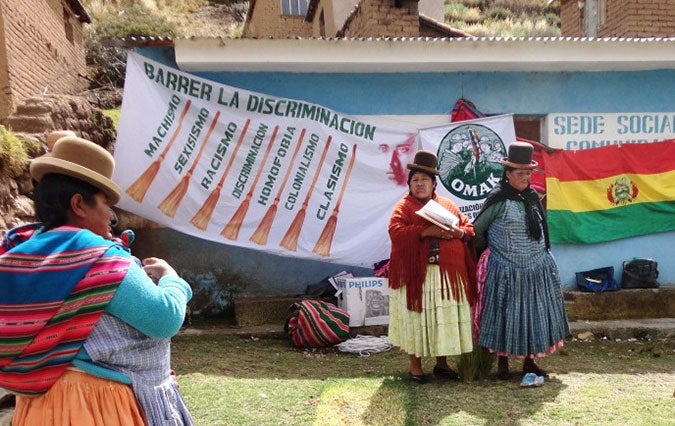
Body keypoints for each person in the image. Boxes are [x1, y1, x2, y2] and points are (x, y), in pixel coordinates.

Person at [0, 134, 194, 425]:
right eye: (106, 204)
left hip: (36, 409)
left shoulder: (17, 254)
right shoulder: (100, 259)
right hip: (97, 407)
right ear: (79, 204)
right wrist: (173, 280)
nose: (110, 217)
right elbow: (163, 318)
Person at [473, 141, 570, 383]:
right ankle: (502, 361)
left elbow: (542, 230)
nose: (526, 177)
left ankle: (529, 360)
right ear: (508, 174)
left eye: (528, 172)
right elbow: (477, 231)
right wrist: (494, 253)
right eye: (520, 173)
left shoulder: (532, 198)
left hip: (536, 268)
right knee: (504, 313)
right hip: (505, 267)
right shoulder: (498, 199)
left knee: (532, 314)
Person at [388, 150, 476, 384]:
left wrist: (458, 232)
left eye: (424, 180)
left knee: (440, 320)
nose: (419, 184)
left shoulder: (447, 205)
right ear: (409, 184)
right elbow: (396, 232)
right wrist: (426, 231)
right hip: (417, 277)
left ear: (434, 183)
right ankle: (415, 367)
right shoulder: (403, 207)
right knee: (416, 320)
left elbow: (469, 229)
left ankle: (442, 364)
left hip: (445, 276)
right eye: (415, 180)